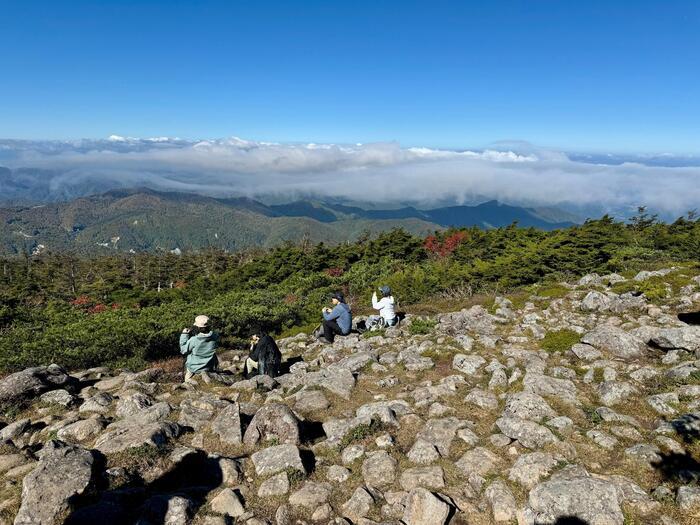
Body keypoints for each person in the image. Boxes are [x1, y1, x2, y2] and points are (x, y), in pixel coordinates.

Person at [179, 315, 219, 383]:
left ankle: (188, 382)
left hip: (194, 368)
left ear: (198, 327)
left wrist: (184, 334)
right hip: (209, 366)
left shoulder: (194, 340)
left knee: (187, 379)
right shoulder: (215, 336)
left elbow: (183, 350)